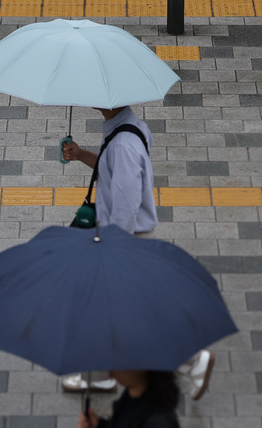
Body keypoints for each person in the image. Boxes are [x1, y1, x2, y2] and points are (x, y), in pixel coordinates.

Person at [61, 106, 214, 400]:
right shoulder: (127, 128)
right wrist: (81, 155)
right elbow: (113, 171)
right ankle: (101, 374)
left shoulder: (123, 145)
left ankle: (192, 361)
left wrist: (115, 249)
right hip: (125, 235)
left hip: (125, 238)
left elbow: (127, 203)